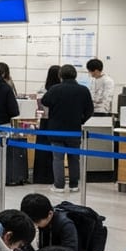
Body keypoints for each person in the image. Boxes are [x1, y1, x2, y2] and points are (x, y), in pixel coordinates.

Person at [40, 64, 93, 194]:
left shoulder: (55, 89)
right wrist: (81, 120)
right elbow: (90, 110)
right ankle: (74, 185)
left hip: (56, 129)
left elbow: (45, 101)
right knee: (74, 158)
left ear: (60, 75)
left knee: (57, 158)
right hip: (74, 129)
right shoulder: (83, 90)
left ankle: (59, 186)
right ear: (75, 75)